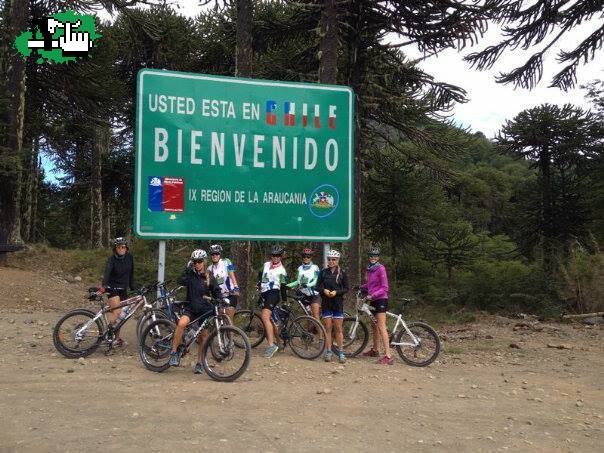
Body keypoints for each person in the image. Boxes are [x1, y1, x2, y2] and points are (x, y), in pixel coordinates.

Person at [169, 249, 222, 374]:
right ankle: (174, 352)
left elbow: (216, 290)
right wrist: (187, 270)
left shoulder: (209, 276)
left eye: (199, 261)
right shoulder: (191, 275)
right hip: (191, 308)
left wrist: (220, 299)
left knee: (203, 337)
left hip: (204, 310)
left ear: (204, 262)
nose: (197, 264)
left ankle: (199, 363)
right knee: (181, 324)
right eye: (195, 262)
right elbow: (180, 281)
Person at [360, 246, 393, 365]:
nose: (372, 258)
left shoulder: (381, 268)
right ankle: (375, 350)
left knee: (381, 326)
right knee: (374, 326)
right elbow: (370, 285)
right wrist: (360, 287)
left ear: (378, 257)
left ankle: (388, 355)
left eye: (375, 256)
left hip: (381, 299)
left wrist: (372, 295)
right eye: (371, 256)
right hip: (373, 299)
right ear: (368, 257)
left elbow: (385, 288)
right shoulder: (369, 269)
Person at [101, 237, 135, 347]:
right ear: (115, 248)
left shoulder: (129, 258)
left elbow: (131, 273)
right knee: (117, 312)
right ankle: (109, 334)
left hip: (123, 289)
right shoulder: (112, 259)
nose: (121, 249)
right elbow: (107, 273)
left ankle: (117, 338)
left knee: (122, 316)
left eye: (123, 247)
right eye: (119, 247)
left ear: (126, 248)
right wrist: (104, 286)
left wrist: (132, 286)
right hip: (112, 288)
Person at [317, 249, 348, 363]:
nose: (331, 261)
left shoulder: (342, 273)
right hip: (326, 303)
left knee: (338, 329)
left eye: (333, 259)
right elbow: (317, 286)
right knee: (328, 328)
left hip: (337, 304)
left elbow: (346, 288)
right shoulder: (323, 272)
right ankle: (329, 352)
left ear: (338, 260)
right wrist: (323, 290)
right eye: (329, 259)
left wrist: (337, 292)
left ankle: (341, 353)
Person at [257, 245, 288, 358]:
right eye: (274, 255)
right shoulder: (265, 265)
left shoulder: (282, 270)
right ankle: (279, 342)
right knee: (271, 320)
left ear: (281, 257)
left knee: (265, 317)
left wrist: (284, 301)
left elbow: (283, 287)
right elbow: (260, 275)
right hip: (265, 293)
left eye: (278, 255)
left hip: (274, 293)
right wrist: (259, 283)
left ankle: (271, 346)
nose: (275, 257)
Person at [286, 248, 321, 320]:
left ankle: (320, 331)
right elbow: (298, 281)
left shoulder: (315, 267)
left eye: (308, 257)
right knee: (308, 317)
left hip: (313, 294)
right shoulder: (300, 268)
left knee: (315, 316)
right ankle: (310, 331)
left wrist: (308, 285)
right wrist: (287, 286)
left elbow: (316, 280)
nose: (306, 258)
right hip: (303, 295)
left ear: (311, 257)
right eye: (304, 256)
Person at [208, 244, 240, 321]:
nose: (214, 255)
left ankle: (231, 333)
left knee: (228, 318)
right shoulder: (209, 268)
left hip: (230, 294)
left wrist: (236, 287)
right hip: (219, 297)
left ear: (220, 254)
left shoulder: (226, 262)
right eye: (212, 254)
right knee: (219, 319)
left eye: (217, 254)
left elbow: (232, 274)